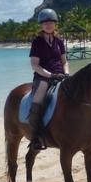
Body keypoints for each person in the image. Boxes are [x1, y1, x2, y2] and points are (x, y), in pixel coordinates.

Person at [28, 8, 69, 150]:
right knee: (38, 100)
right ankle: (35, 137)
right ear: (41, 25)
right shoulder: (37, 42)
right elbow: (35, 65)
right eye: (45, 23)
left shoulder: (59, 41)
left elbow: (64, 61)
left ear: (55, 24)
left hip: (60, 75)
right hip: (43, 78)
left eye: (51, 22)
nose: (48, 25)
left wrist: (67, 73)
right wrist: (50, 75)